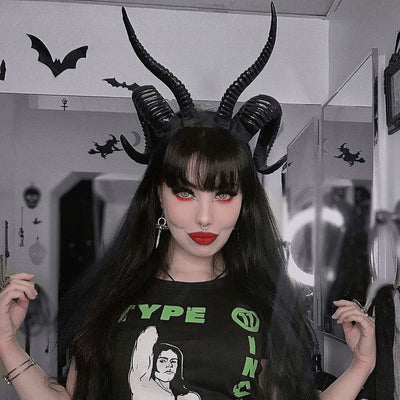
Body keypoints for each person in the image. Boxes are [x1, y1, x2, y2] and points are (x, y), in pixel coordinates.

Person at [0, 3, 375, 400]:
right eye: (185, 192)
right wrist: (7, 344)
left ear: (243, 203)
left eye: (224, 194)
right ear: (158, 197)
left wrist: (361, 365)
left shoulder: (264, 302)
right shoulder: (110, 296)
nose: (204, 217)